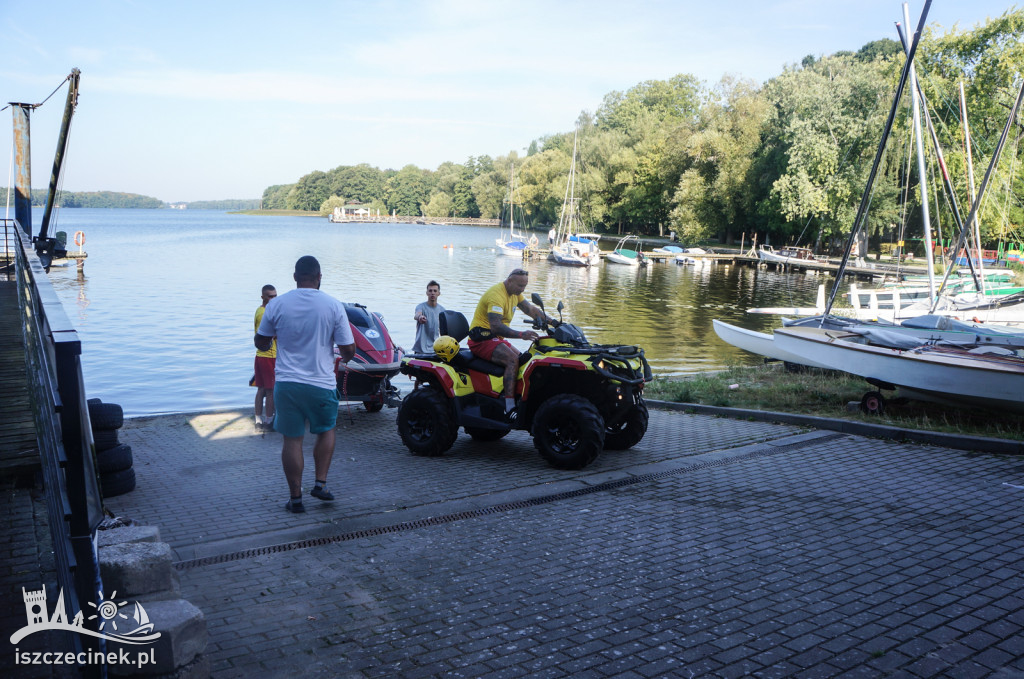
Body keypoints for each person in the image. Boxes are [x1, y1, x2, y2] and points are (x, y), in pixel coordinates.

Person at [255, 256, 356, 514]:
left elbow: (260, 341)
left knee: (292, 440)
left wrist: (268, 344)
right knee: (326, 430)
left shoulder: (276, 304)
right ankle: (320, 484)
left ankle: (296, 499)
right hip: (321, 383)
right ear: (319, 276)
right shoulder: (333, 305)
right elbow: (348, 349)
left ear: (295, 277)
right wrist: (343, 357)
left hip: (287, 384)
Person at [467, 268, 552, 415]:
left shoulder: (515, 293)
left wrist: (554, 323)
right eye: (520, 285)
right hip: (481, 339)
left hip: (495, 339)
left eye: (525, 285)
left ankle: (521, 397)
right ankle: (509, 405)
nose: (523, 289)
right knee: (513, 360)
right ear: (510, 280)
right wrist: (521, 334)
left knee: (524, 359)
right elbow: (496, 326)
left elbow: (530, 309)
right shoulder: (496, 295)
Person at [253, 284, 277, 429]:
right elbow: (268, 335)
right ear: (263, 297)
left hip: (260, 356)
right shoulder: (264, 314)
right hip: (269, 356)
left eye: (275, 296)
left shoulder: (260, 310)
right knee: (270, 390)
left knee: (261, 388)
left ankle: (258, 419)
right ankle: (268, 421)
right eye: (270, 296)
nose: (273, 299)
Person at [412, 280, 445, 354]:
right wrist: (420, 317)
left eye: (435, 291)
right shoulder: (420, 307)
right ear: (427, 293)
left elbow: (444, 331)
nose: (432, 293)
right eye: (430, 291)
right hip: (420, 349)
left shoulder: (442, 310)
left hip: (435, 349)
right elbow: (417, 315)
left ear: (438, 293)